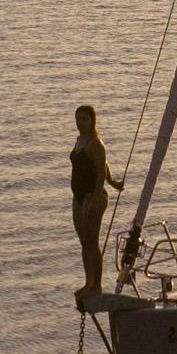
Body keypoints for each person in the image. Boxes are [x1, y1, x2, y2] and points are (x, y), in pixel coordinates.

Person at [69, 105, 122, 294]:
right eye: (78, 119)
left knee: (92, 242)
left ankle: (96, 285)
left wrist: (97, 194)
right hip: (78, 196)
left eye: (84, 119)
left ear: (92, 120)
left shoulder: (96, 143)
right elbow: (106, 166)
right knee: (84, 242)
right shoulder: (79, 140)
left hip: (93, 196)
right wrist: (113, 181)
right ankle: (88, 283)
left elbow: (100, 171)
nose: (80, 122)